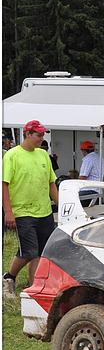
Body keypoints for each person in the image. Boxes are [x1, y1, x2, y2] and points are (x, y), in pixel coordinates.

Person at [2, 120, 58, 298]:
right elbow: (4, 184)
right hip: (22, 211)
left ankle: (34, 286)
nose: (42, 138)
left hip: (44, 211)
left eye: (43, 135)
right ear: (27, 134)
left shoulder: (43, 155)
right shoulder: (12, 155)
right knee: (29, 251)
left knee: (42, 252)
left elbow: (51, 184)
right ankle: (8, 278)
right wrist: (8, 211)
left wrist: (62, 205)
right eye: (39, 135)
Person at [78, 140, 104, 207]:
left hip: (91, 190)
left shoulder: (88, 159)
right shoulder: (100, 158)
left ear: (83, 151)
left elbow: (82, 177)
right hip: (101, 190)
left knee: (71, 196)